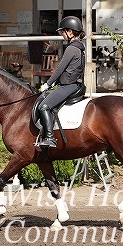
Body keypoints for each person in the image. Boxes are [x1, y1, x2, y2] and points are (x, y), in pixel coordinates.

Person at [37, 16, 86, 148]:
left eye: (63, 32)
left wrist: (48, 83)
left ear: (70, 32)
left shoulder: (71, 49)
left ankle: (50, 138)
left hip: (68, 86)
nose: (62, 35)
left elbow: (60, 69)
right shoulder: (80, 48)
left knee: (44, 106)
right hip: (74, 84)